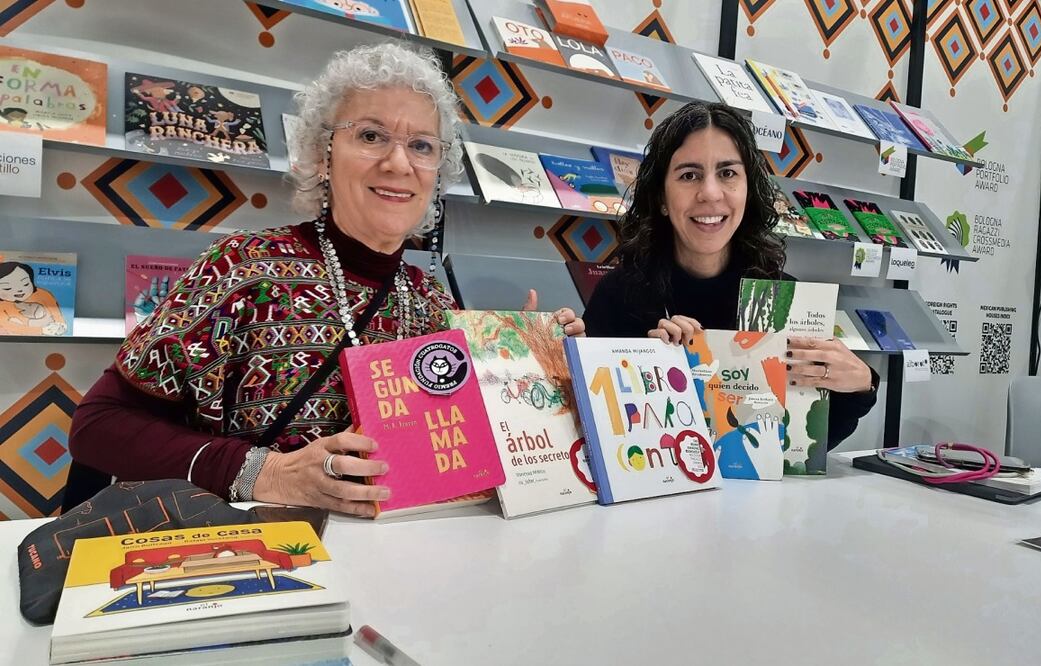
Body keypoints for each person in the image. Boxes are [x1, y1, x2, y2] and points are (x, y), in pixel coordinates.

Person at [69, 44, 584, 516]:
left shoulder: (430, 301)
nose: (398, 162)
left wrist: (531, 369)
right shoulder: (245, 268)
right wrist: (266, 473)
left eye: (422, 146)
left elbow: (455, 455)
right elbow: (99, 426)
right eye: (370, 135)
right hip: (254, 562)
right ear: (321, 155)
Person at [583, 101, 877, 449]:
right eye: (689, 175)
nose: (710, 193)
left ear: (748, 189)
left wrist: (859, 387)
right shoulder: (620, 296)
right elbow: (599, 432)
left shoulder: (784, 299)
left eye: (727, 173)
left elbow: (806, 446)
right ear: (662, 197)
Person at [0, 261, 67, 336]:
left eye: (25, 284)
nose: (19, 290)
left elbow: (55, 311)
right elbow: (9, 326)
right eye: (7, 288)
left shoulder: (43, 294)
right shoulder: (2, 306)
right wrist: (41, 330)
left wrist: (61, 323)